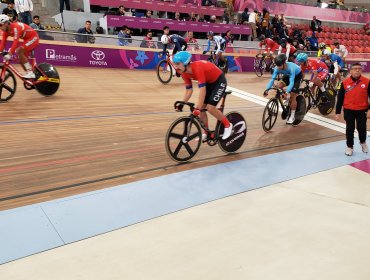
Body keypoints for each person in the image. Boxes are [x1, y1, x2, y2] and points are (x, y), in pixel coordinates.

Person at [173, 51, 233, 140]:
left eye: (178, 64)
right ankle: (206, 133)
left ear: (185, 63)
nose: (175, 66)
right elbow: (189, 90)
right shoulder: (184, 73)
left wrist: (197, 107)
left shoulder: (197, 68)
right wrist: (182, 104)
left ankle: (228, 125)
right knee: (202, 109)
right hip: (209, 82)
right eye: (175, 64)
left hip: (219, 81)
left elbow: (202, 90)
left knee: (210, 108)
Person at [335, 63, 369, 156]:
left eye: (359, 68)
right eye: (355, 68)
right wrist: (337, 112)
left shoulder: (367, 81)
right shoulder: (345, 83)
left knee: (361, 128)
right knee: (350, 128)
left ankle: (363, 142)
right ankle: (350, 146)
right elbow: (340, 98)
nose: (357, 70)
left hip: (362, 110)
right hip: (348, 110)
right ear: (351, 71)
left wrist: (369, 110)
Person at [264, 54, 303, 124]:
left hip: (297, 76)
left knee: (293, 95)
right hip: (287, 75)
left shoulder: (291, 68)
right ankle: (286, 100)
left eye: (280, 66)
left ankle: (292, 116)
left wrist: (287, 92)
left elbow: (291, 82)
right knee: (278, 86)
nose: (278, 67)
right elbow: (272, 80)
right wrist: (267, 90)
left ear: (284, 63)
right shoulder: (277, 67)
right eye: (277, 65)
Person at [0, 14, 39, 78]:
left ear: (6, 23)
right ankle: (32, 75)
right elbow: (2, 44)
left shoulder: (15, 27)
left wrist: (9, 54)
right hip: (26, 39)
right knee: (21, 60)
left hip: (34, 37)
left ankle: (30, 73)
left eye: (0, 25)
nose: (0, 27)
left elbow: (15, 42)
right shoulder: (5, 32)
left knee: (19, 51)